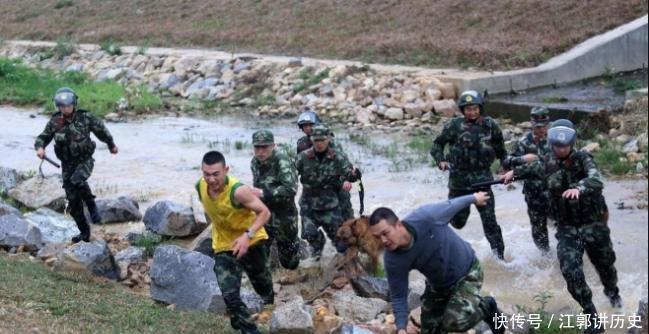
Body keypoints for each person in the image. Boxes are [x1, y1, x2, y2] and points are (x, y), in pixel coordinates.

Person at [502, 119, 621, 334]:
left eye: (565, 146)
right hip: (567, 227)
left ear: (572, 144)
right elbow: (532, 169)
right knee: (569, 269)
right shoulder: (547, 160)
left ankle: (614, 296)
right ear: (552, 145)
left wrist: (579, 187)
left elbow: (596, 178)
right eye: (558, 146)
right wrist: (514, 174)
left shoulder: (583, 158)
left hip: (592, 223)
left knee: (605, 268)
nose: (561, 149)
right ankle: (592, 316)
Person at [368, 192, 505, 334]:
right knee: (430, 330)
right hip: (438, 285)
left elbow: (452, 205)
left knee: (454, 322)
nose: (383, 241)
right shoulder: (393, 259)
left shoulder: (426, 217)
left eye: (385, 233)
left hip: (467, 272)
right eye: (377, 237)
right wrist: (401, 328)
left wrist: (474, 198)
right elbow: (398, 296)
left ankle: (488, 306)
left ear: (398, 225)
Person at [196, 151, 273, 334]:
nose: (211, 179)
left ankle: (267, 303)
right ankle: (250, 330)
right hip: (224, 245)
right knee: (229, 293)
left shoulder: (238, 191)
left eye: (216, 174)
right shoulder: (200, 186)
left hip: (251, 241)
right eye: (207, 174)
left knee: (262, 285)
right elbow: (211, 210)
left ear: (226, 170)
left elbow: (265, 213)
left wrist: (247, 235)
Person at [430, 90, 508, 259]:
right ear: (462, 110)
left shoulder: (490, 125)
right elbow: (437, 145)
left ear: (480, 108)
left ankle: (500, 259)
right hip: (459, 184)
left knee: (490, 223)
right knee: (458, 223)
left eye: (475, 109)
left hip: (483, 183)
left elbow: (501, 149)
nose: (472, 112)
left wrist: (505, 167)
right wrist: (441, 160)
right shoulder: (454, 126)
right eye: (468, 109)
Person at [34, 87, 118, 243]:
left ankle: (92, 206)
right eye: (62, 106)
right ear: (58, 106)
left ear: (74, 104)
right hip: (67, 164)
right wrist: (40, 148)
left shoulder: (85, 118)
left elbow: (102, 131)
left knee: (77, 180)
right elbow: (42, 138)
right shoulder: (54, 122)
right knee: (73, 201)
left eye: (68, 105)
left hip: (84, 160)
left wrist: (111, 145)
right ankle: (84, 233)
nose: (65, 109)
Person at [295, 124, 361, 259]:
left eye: (322, 140)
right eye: (316, 140)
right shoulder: (303, 157)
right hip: (308, 203)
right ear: (312, 140)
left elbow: (348, 174)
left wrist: (354, 175)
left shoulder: (337, 156)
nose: (319, 144)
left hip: (329, 204)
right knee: (308, 233)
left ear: (328, 140)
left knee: (341, 243)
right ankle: (318, 249)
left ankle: (346, 265)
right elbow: (290, 173)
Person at [501, 106, 552, 254]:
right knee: (538, 228)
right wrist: (523, 158)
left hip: (554, 191)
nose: (542, 129)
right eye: (538, 126)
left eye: (544, 125)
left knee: (565, 224)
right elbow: (506, 162)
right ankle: (545, 256)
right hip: (533, 193)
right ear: (532, 124)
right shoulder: (524, 142)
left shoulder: (555, 139)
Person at [249, 130, 301, 270]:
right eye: (257, 147)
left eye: (264, 147)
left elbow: (291, 190)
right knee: (259, 253)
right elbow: (257, 187)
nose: (260, 151)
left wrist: (262, 193)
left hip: (284, 216)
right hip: (264, 214)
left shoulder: (282, 160)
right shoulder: (254, 162)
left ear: (273, 145)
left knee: (290, 263)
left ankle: (298, 252)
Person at [296, 110, 355, 221]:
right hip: (315, 185)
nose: (308, 128)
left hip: (336, 182)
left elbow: (343, 163)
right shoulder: (302, 144)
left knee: (346, 214)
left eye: (310, 125)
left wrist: (346, 180)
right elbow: (298, 166)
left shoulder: (330, 142)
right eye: (305, 126)